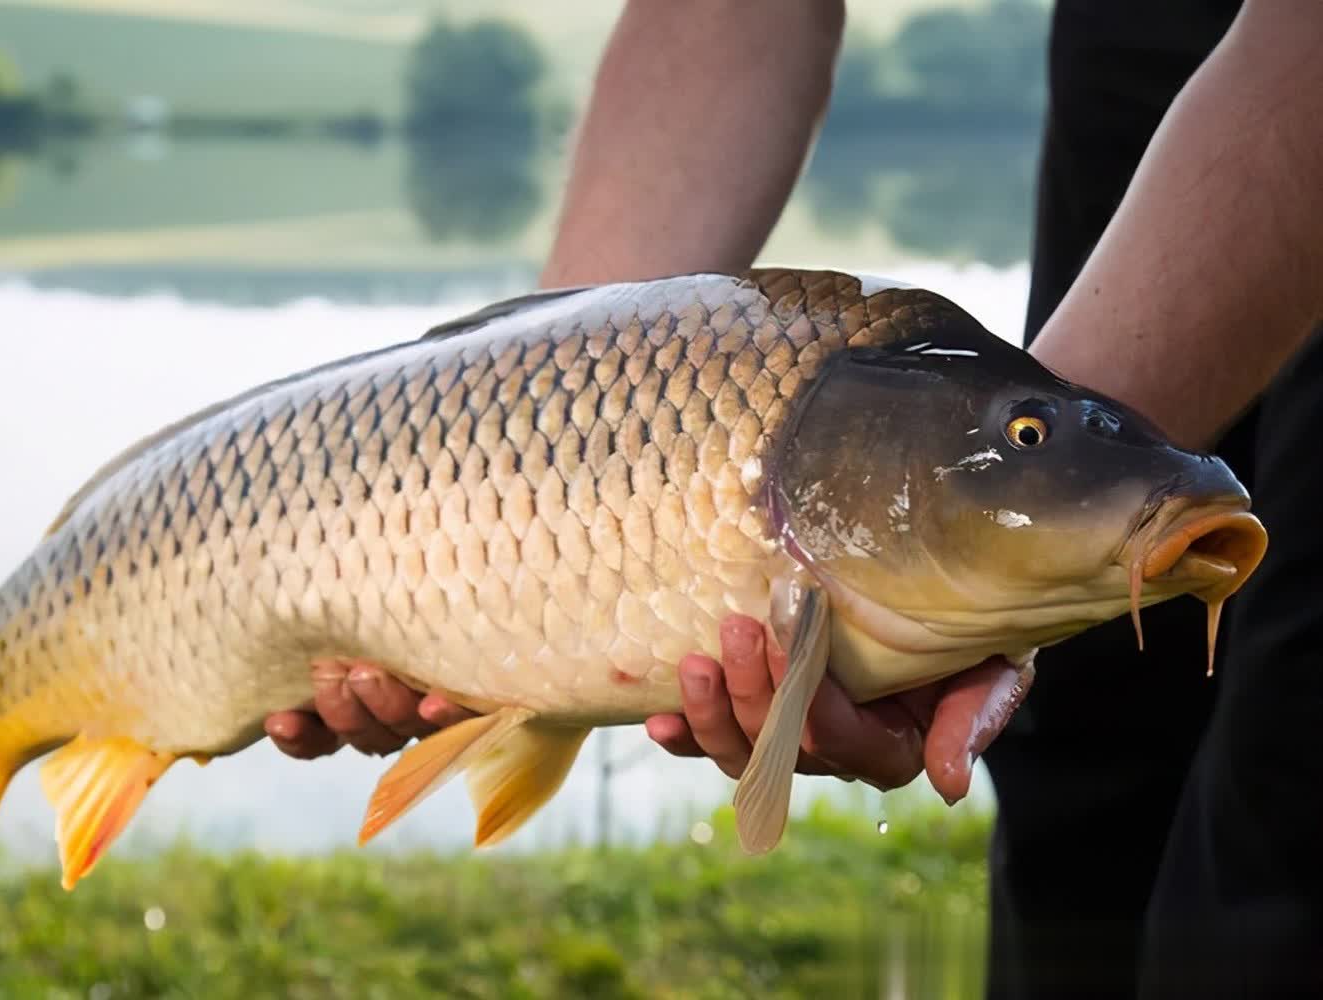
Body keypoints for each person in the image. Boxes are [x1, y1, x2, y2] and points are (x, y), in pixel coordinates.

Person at [266, 2, 1323, 996]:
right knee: (1078, 758)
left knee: (1289, 797)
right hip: (1132, 45)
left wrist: (1073, 484)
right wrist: (546, 460)